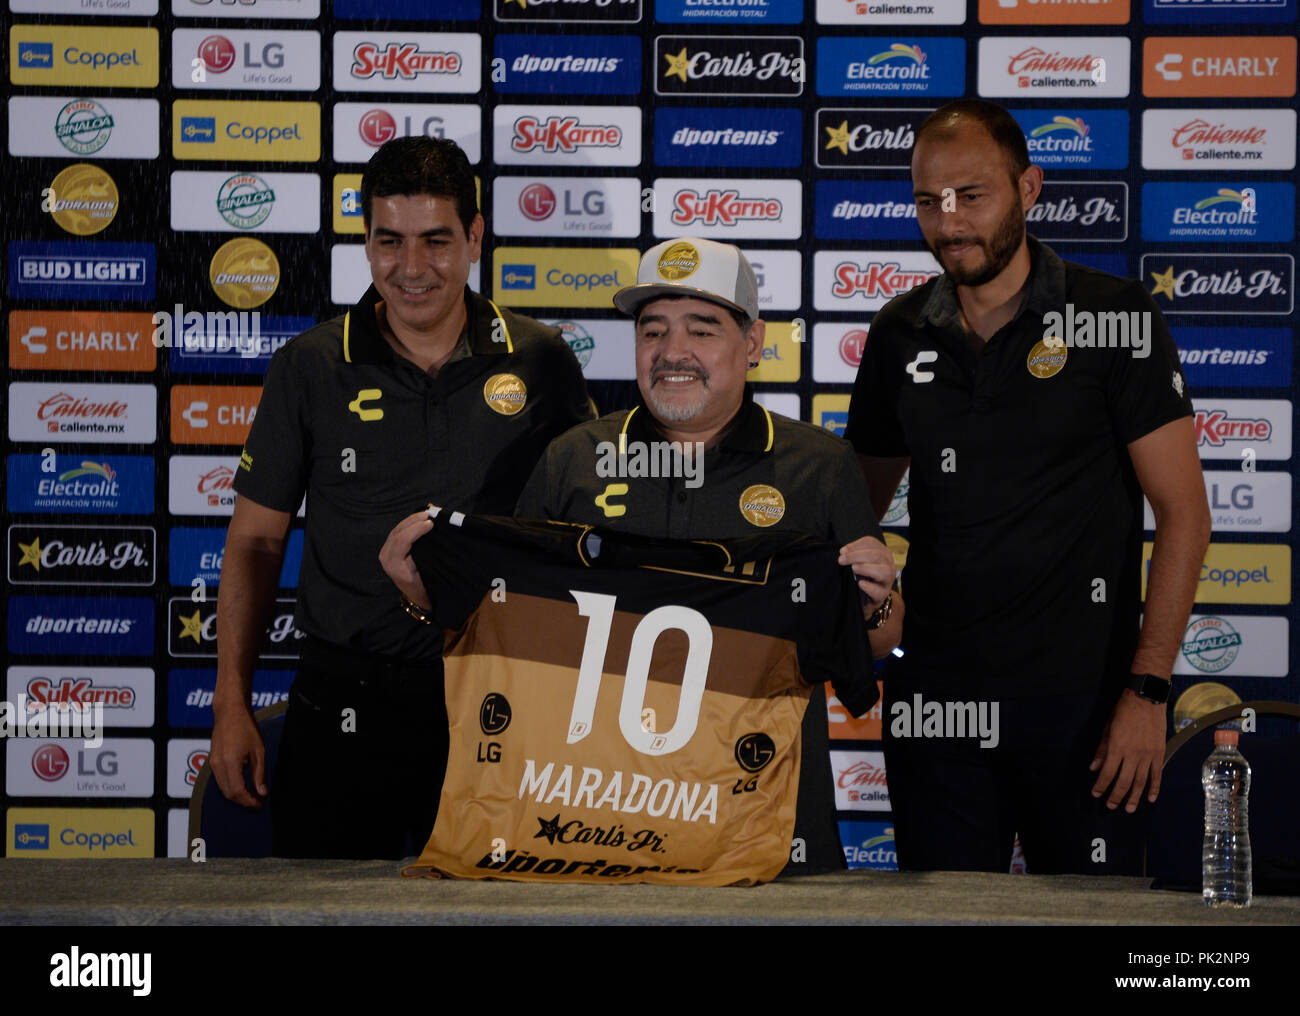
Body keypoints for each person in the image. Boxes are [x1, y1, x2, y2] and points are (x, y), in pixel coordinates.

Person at [382, 237, 902, 874]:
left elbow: (876, 640)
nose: (673, 352)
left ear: (754, 343)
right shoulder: (574, 459)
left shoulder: (818, 466)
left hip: (765, 821)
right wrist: (422, 593)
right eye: (652, 331)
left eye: (701, 329)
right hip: (596, 821)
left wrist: (877, 606)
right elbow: (511, 628)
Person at [845, 99, 1211, 874]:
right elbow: (853, 516)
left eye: (971, 196)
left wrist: (1147, 693)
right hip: (935, 709)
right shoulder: (896, 331)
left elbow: (1184, 516)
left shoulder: (1117, 319)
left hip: (1087, 711)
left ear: (1029, 188)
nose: (948, 222)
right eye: (927, 200)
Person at [209, 137, 593, 858]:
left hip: (502, 703)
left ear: (475, 237)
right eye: (389, 241)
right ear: (367, 239)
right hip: (344, 706)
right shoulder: (309, 366)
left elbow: (582, 542)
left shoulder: (544, 361)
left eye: (436, 241)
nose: (411, 269)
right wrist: (231, 698)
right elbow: (256, 541)